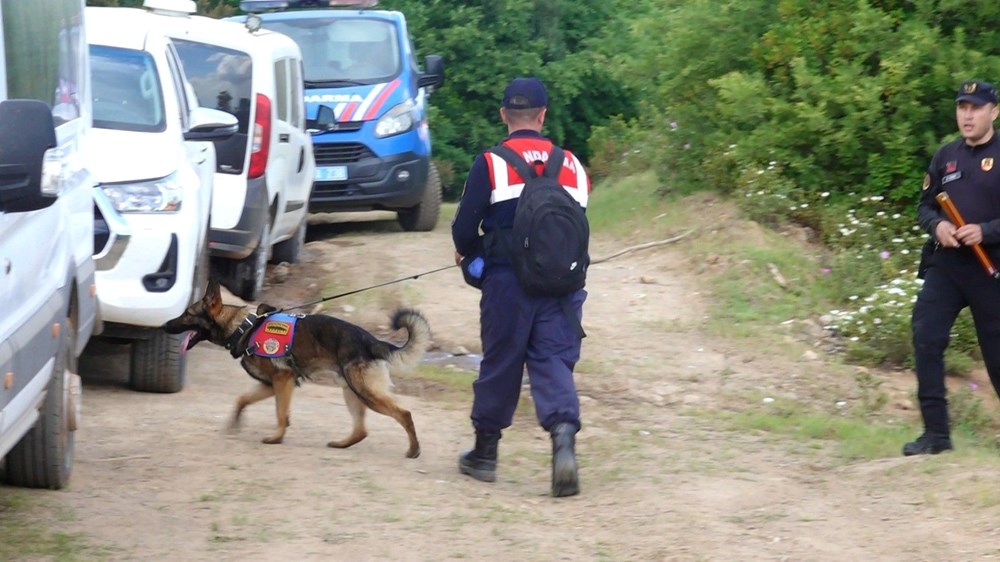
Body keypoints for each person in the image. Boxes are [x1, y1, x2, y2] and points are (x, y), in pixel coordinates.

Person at [451, 77, 591, 496]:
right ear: (544, 115)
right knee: (552, 360)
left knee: (501, 362)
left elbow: (462, 231)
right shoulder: (572, 165)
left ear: (503, 115)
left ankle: (485, 454)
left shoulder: (490, 163)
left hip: (507, 283)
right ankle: (563, 441)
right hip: (560, 284)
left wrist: (475, 256)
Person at [908, 79, 1000, 456]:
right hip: (947, 266)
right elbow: (925, 206)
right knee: (925, 335)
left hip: (991, 270)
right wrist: (939, 226)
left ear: (993, 112)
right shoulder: (945, 156)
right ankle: (936, 436)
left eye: (976, 108)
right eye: (963, 107)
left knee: (997, 359)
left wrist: (987, 231)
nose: (968, 114)